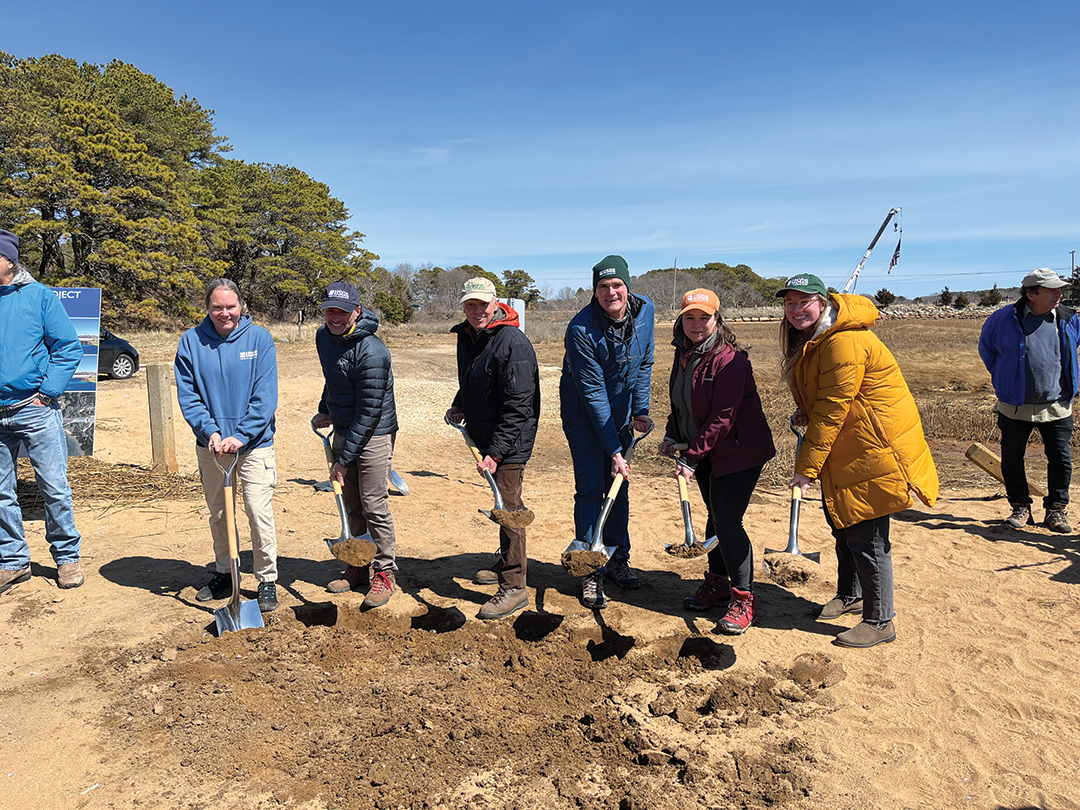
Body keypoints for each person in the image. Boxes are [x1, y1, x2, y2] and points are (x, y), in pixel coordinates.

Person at [778, 273, 938, 648]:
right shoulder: (817, 340)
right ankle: (850, 595)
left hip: (874, 448)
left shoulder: (844, 342)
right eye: (789, 303)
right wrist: (806, 410)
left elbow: (835, 410)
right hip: (848, 447)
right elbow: (826, 399)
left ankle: (881, 620)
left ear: (823, 302)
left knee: (867, 536)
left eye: (805, 302)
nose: (797, 309)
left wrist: (805, 470)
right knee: (843, 526)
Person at [658, 289, 775, 635]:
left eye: (704, 318)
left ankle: (743, 600)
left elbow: (724, 416)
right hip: (707, 450)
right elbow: (682, 403)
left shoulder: (731, 360)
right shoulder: (684, 354)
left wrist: (692, 458)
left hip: (739, 452)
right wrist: (671, 434)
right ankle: (717, 583)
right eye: (690, 318)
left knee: (727, 521)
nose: (696, 324)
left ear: (717, 319)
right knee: (716, 518)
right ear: (682, 320)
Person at [175, 278, 280, 612]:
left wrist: (242, 434)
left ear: (241, 306)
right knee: (219, 513)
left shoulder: (259, 339)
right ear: (207, 308)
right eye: (217, 307)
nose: (225, 313)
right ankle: (225, 571)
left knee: (257, 511)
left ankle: (266, 580)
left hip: (254, 445)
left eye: (231, 306)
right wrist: (211, 431)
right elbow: (188, 395)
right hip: (212, 447)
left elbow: (265, 396)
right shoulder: (191, 342)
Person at [560, 255, 654, 608]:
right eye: (603, 287)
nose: (611, 292)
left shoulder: (646, 312)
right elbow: (594, 393)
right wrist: (614, 449)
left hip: (623, 412)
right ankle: (589, 570)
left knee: (619, 487)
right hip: (585, 414)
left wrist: (641, 409)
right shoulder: (580, 330)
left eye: (617, 285)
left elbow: (644, 361)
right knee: (591, 488)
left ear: (628, 288)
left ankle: (617, 559)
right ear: (594, 291)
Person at [446, 277, 540, 620]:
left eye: (482, 305)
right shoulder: (469, 336)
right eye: (470, 305)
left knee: (509, 508)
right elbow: (472, 378)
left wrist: (497, 452)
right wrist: (460, 404)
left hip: (510, 439)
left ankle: (514, 587)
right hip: (486, 432)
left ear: (495, 303)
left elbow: (519, 404)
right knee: (503, 505)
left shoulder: (511, 342)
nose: (476, 311)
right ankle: (506, 565)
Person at [0, 229, 85, 595]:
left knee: (53, 486)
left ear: (7, 260)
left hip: (33, 408)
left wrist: (48, 392)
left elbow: (68, 347)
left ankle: (67, 559)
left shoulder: (38, 297)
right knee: (1, 493)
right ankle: (13, 562)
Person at [312, 281, 399, 608]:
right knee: (350, 502)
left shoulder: (373, 351)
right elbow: (332, 376)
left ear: (357, 312)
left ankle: (384, 571)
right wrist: (326, 408)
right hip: (345, 425)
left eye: (342, 312)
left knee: (373, 502)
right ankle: (359, 565)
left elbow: (370, 410)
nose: (335, 317)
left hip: (375, 431)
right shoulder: (324, 337)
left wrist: (343, 460)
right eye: (330, 311)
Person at [978, 268, 1080, 533]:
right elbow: (987, 352)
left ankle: (1056, 510)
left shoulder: (1069, 318)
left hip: (1057, 404)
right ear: (1031, 294)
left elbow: (1071, 350)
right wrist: (1008, 378)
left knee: (1060, 458)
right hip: (1014, 405)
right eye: (1053, 290)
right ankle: (1020, 507)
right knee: (1012, 458)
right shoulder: (1001, 320)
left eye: (1060, 289)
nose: (1060, 294)